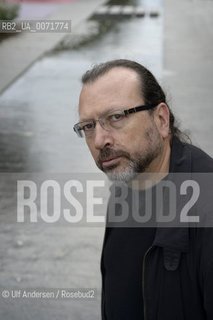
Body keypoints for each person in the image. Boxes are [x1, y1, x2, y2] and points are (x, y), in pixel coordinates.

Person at [73, 59, 213, 320]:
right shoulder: (124, 187)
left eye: (116, 117)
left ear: (161, 119)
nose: (100, 139)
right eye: (88, 127)